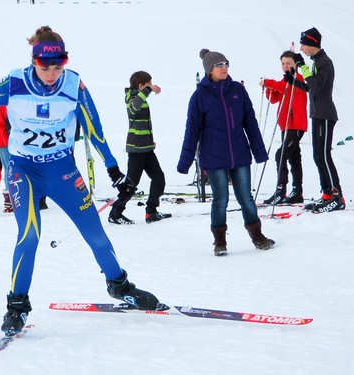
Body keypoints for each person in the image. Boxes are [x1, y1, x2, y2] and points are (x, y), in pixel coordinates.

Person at [0, 25, 159, 335]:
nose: (51, 72)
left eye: (58, 65)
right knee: (29, 235)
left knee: (95, 233)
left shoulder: (74, 85)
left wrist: (114, 172)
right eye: (44, 65)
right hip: (23, 171)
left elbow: (94, 131)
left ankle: (119, 285)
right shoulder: (14, 82)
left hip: (62, 170)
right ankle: (17, 306)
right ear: (34, 60)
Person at [177, 49, 275, 256]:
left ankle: (258, 237)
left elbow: (250, 123)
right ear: (209, 70)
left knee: (246, 198)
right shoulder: (199, 96)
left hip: (240, 154)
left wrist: (259, 151)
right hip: (214, 157)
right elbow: (191, 131)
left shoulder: (237, 90)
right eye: (219, 65)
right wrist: (185, 162)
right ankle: (219, 242)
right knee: (220, 200)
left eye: (226, 64)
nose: (224, 68)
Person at [290, 27, 345, 213]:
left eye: (304, 44)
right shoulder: (317, 61)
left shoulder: (324, 62)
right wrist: (293, 81)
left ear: (313, 44)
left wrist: (301, 66)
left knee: (323, 155)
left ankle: (337, 194)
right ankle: (328, 193)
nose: (302, 48)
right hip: (317, 113)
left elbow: (316, 85)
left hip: (325, 114)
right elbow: (311, 87)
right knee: (317, 155)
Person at [108, 71, 170, 225]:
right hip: (136, 149)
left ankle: (151, 212)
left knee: (158, 178)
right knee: (130, 184)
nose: (152, 86)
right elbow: (134, 107)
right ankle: (115, 213)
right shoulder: (131, 98)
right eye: (148, 84)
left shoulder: (141, 98)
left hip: (147, 148)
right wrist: (149, 90)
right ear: (141, 86)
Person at [258, 51, 308, 205]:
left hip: (295, 126)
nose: (285, 66)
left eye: (288, 63)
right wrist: (269, 89)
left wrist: (269, 83)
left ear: (295, 64)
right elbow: (274, 99)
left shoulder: (298, 80)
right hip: (285, 126)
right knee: (294, 158)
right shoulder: (285, 81)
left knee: (280, 156)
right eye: (283, 63)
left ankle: (281, 190)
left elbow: (285, 88)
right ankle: (297, 191)